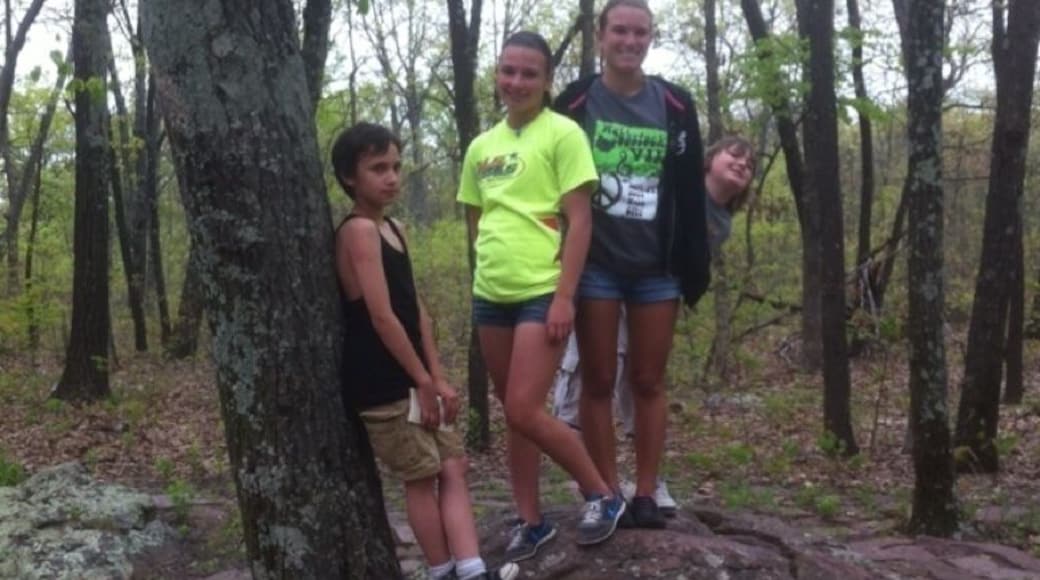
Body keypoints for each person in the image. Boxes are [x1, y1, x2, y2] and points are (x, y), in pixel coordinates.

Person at [457, 31, 627, 563]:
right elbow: (475, 219)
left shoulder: (564, 134)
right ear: (497, 75)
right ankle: (530, 521)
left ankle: (601, 492)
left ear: (547, 80)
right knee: (514, 414)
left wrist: (564, 296)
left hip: (541, 292)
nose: (516, 82)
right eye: (508, 71)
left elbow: (580, 221)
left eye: (529, 73)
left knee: (526, 408)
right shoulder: (482, 147)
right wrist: (487, 270)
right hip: (492, 295)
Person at [333, 122, 518, 580]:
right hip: (382, 379)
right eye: (378, 169)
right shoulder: (358, 231)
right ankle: (441, 570)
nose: (391, 177)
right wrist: (420, 380)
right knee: (421, 474)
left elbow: (416, 311)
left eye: (396, 166)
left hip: (415, 375)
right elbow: (381, 316)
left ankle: (472, 569)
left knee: (453, 464)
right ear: (349, 177)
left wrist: (436, 377)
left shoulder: (395, 227)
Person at [553, 0, 711, 529]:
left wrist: (695, 262)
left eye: (640, 32)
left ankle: (645, 492)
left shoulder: (673, 103)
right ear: (600, 36)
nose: (630, 40)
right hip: (595, 262)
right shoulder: (574, 102)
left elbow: (689, 190)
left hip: (656, 267)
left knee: (648, 379)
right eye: (619, 30)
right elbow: (549, 183)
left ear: (650, 38)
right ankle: (604, 492)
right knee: (597, 379)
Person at [551, 135, 757, 517]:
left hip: (653, 297)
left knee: (643, 382)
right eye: (735, 154)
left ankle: (648, 480)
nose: (743, 164)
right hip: (610, 279)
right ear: (709, 157)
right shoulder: (676, 182)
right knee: (589, 375)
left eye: (750, 164)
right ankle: (593, 482)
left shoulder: (721, 222)